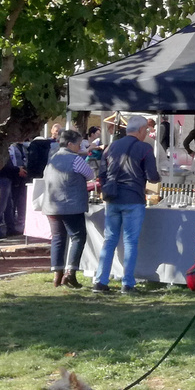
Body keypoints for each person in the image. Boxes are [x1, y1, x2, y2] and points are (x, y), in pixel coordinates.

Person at [93, 114, 159, 295]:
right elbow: (153, 176)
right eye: (146, 129)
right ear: (140, 130)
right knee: (130, 241)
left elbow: (102, 173)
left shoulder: (110, 147)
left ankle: (100, 281)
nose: (146, 133)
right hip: (133, 199)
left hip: (112, 199)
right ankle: (127, 283)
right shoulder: (145, 149)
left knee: (109, 240)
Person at [44, 129, 94, 288]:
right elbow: (90, 174)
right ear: (70, 144)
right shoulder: (75, 159)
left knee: (58, 239)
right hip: (71, 205)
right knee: (78, 237)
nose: (80, 147)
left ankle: (56, 276)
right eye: (78, 144)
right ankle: (70, 273)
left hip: (52, 205)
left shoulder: (52, 158)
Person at [0, 140, 30, 236]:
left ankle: (11, 229)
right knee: (1, 207)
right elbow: (3, 167)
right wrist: (17, 169)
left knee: (9, 206)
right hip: (1, 179)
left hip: (8, 179)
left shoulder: (6, 151)